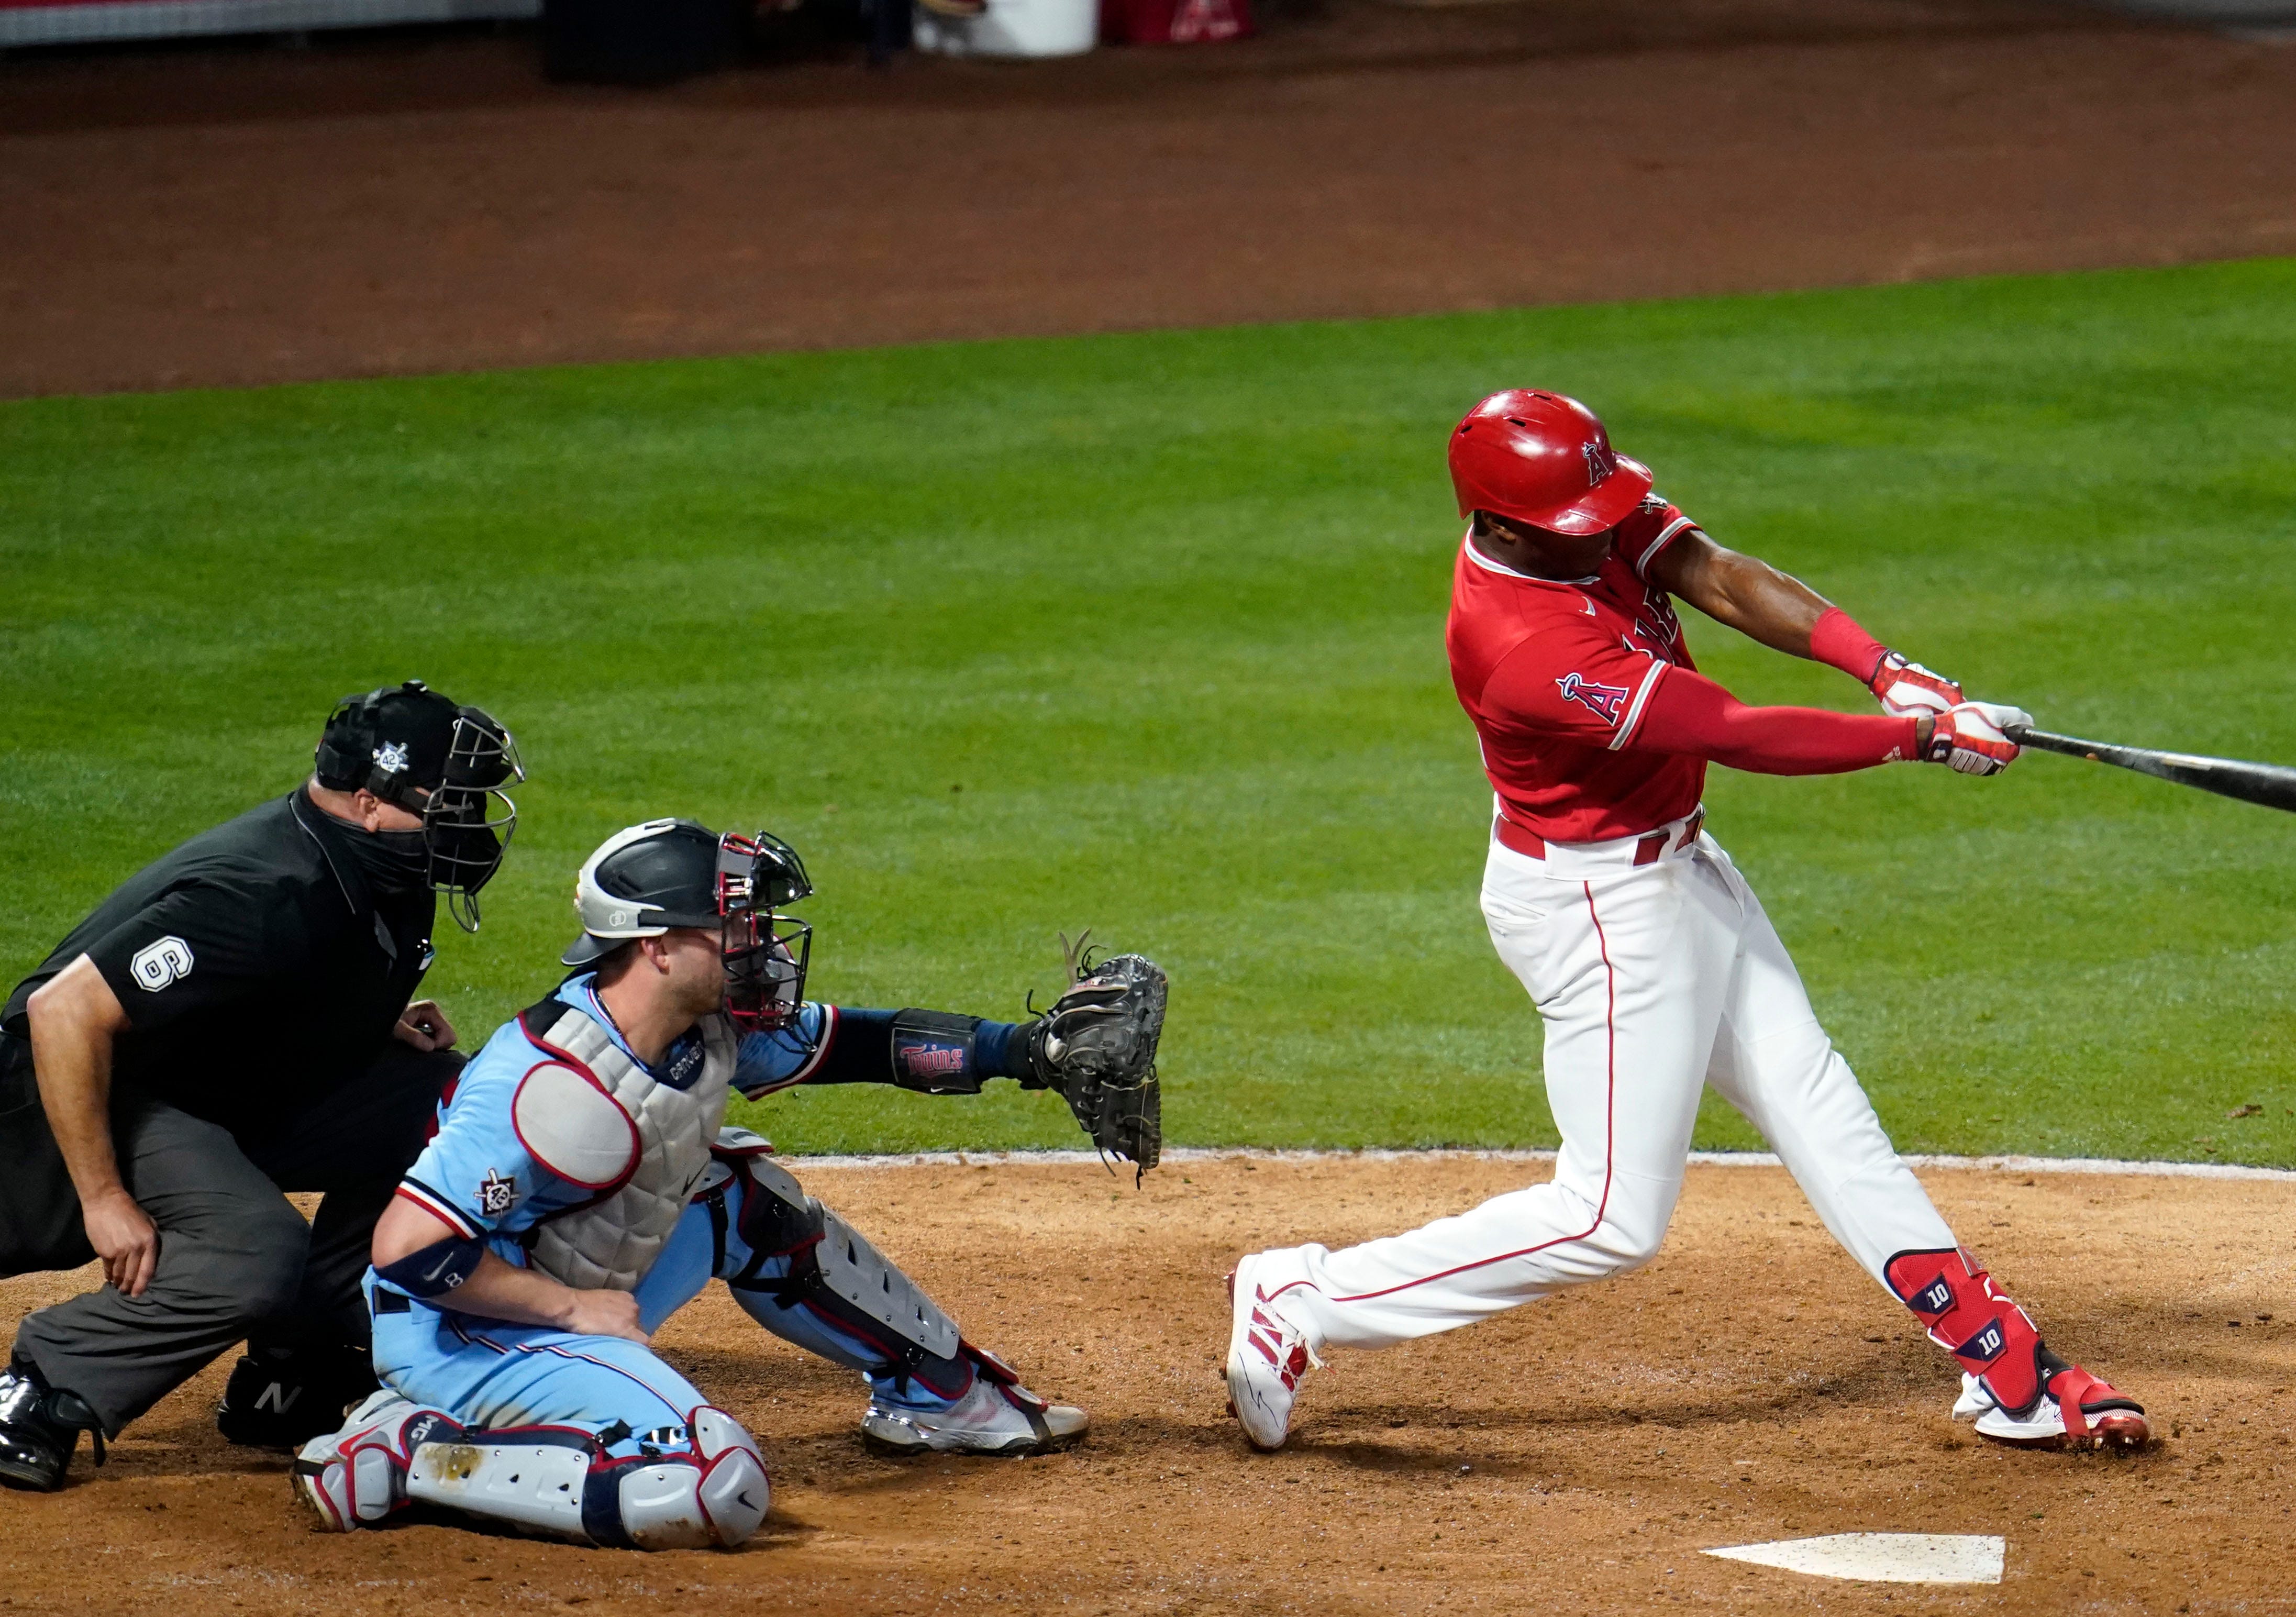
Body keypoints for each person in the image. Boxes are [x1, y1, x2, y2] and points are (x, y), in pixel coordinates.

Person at [1221, 390, 2148, 1454]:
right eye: (1578, 523)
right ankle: (1301, 1298)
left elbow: (1712, 571)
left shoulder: (1573, 512)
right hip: (1600, 911)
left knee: (1817, 1100)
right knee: (1607, 1216)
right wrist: (1919, 742)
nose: (1603, 531)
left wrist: (1886, 670)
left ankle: (2004, 1365)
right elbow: (1735, 728)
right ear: (1505, 523)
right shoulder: (1524, 645)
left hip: (1680, 865)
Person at [294, 818, 1165, 1550]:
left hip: (577, 1284)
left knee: (742, 1198)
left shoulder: (702, 1025)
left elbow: (858, 1045)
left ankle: (940, 1398)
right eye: (733, 927)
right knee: (712, 1487)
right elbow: (407, 1251)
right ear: (659, 946)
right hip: (464, 1333)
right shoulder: (545, 1088)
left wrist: (1020, 1053)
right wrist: (566, 1313)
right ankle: (408, 1453)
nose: (760, 944)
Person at [0, 683, 525, 1492]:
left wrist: (356, 1017)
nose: (471, 820)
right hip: (79, 1097)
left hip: (208, 1086)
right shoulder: (260, 891)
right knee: (253, 1252)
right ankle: (39, 1386)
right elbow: (59, 1013)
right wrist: (103, 1197)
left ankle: (304, 1357)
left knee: (450, 1104)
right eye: (450, 801)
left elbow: (290, 972)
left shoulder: (379, 858)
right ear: (369, 801)